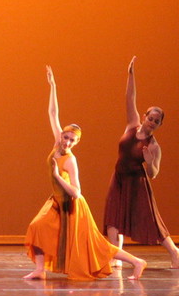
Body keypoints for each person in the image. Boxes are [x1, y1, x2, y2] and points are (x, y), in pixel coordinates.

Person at [24, 66, 146, 280]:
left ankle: (137, 261)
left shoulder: (70, 160)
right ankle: (40, 270)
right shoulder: (56, 144)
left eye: (72, 140)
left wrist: (58, 176)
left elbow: (77, 192)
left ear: (76, 142)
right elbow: (53, 113)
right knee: (37, 227)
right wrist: (53, 85)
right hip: (56, 203)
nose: (67, 142)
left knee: (94, 244)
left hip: (73, 207)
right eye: (66, 137)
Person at [103, 56, 179, 268]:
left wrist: (150, 162)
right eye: (150, 118)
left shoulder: (154, 146)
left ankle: (175, 252)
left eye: (157, 121)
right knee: (113, 218)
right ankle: (117, 257)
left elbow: (154, 173)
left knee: (150, 220)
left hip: (137, 185)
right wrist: (131, 74)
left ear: (159, 125)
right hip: (119, 178)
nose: (152, 122)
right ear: (144, 116)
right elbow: (130, 98)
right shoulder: (132, 125)